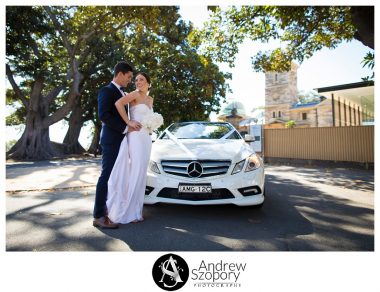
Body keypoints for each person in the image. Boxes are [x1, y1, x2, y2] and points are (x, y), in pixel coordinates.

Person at [93, 61, 142, 229]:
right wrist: (125, 127)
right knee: (106, 177)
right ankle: (99, 216)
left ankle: (113, 210)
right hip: (111, 139)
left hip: (122, 140)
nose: (129, 80)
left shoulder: (123, 92)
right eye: (128, 77)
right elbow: (104, 115)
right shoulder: (106, 90)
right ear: (120, 74)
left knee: (117, 177)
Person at [106, 72, 154, 224]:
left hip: (146, 137)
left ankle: (137, 211)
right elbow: (118, 104)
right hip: (135, 136)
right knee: (136, 170)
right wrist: (128, 122)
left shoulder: (150, 99)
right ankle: (128, 211)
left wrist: (152, 127)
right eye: (136, 80)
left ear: (148, 83)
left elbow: (148, 118)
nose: (138, 82)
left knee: (141, 172)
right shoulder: (134, 94)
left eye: (142, 79)